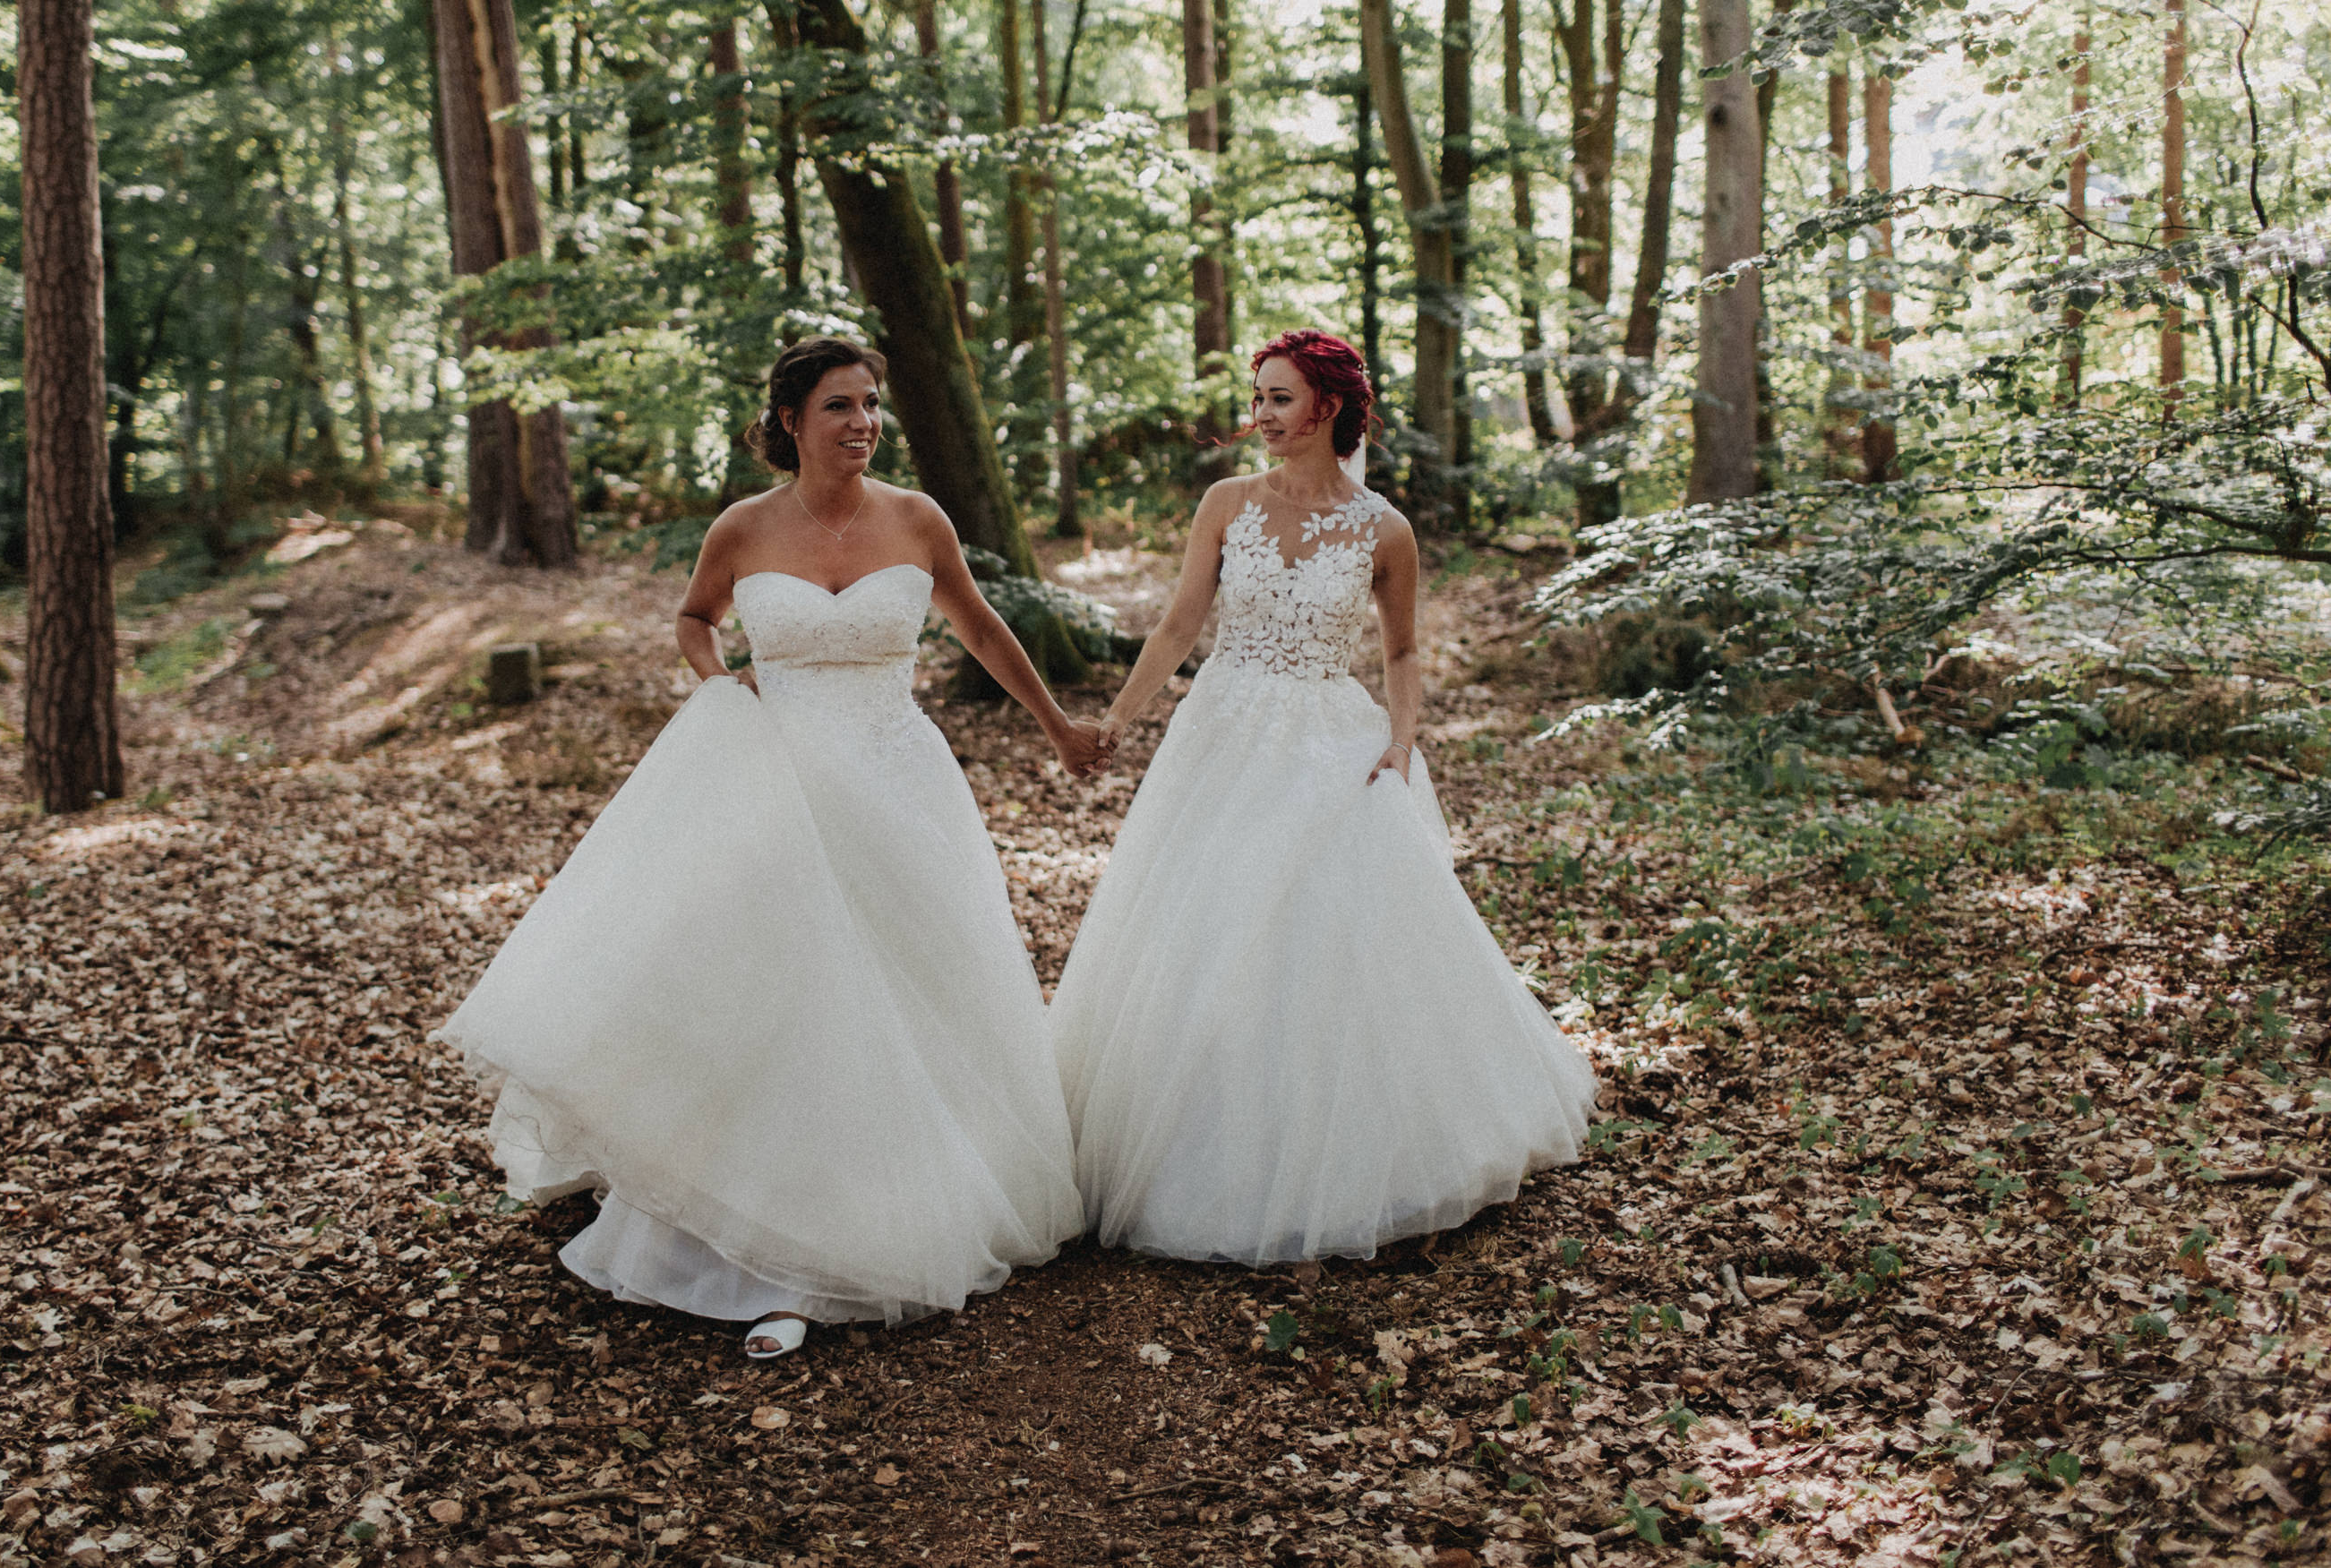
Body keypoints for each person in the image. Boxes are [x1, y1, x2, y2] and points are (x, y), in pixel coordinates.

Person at [434, 337, 1108, 1360]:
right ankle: (764, 1219)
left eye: (872, 404)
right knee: (784, 987)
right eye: (840, 405)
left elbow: (976, 625)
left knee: (915, 978)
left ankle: (915, 1193)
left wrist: (1057, 724)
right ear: (790, 419)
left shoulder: (916, 519)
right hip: (778, 779)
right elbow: (694, 619)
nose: (863, 423)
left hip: (897, 780)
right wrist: (717, 682)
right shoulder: (743, 527)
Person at [1050, 329, 1596, 1264]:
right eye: (1256, 397)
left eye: (1275, 398)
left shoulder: (1383, 528)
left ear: (1326, 407)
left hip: (1326, 738)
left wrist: (1400, 737)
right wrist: (1116, 720)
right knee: (1204, 924)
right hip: (1221, 733)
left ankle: (1338, 1155)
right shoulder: (1226, 504)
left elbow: (1400, 649)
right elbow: (1181, 621)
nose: (1256, 416)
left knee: (1324, 932)